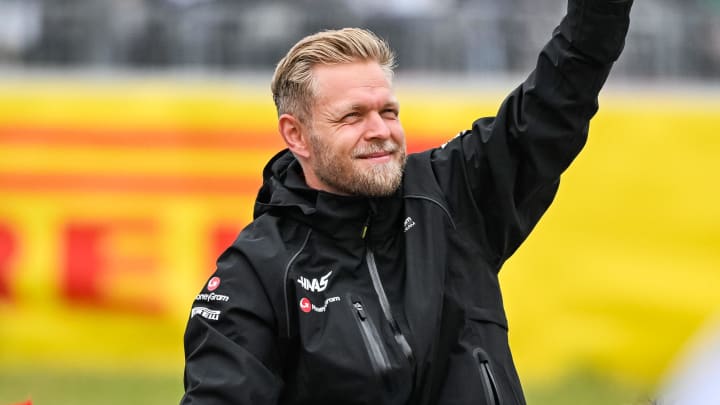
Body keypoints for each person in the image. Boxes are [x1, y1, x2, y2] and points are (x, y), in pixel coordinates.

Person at [181, 0, 633, 404]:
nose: (380, 130)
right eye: (352, 116)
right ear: (296, 134)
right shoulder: (256, 272)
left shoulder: (452, 193)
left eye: (388, 112)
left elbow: (560, 97)